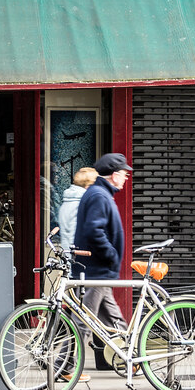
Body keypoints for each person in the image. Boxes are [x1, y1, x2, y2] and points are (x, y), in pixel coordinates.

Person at [72, 152, 133, 371]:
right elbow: (94, 230)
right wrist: (111, 254)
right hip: (96, 270)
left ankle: (126, 357)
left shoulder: (99, 192)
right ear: (114, 175)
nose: (126, 177)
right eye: (124, 173)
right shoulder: (99, 195)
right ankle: (64, 367)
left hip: (101, 271)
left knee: (114, 320)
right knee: (82, 320)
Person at [57, 166, 97, 254]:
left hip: (66, 253)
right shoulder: (80, 204)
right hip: (77, 258)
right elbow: (75, 236)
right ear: (88, 186)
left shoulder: (67, 201)